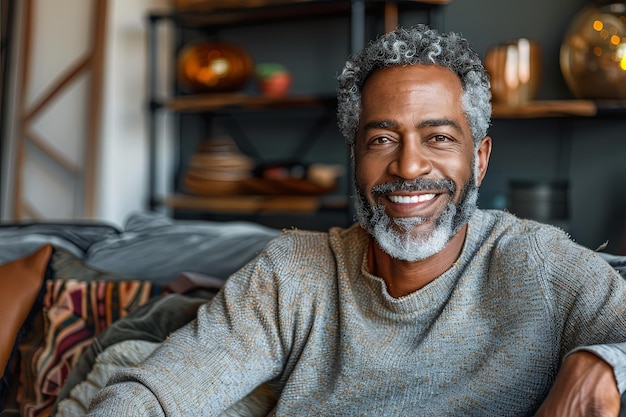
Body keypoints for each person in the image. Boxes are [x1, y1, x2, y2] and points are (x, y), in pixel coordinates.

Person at [87, 25, 626, 416]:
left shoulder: (538, 264)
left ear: (479, 158)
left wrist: (604, 365)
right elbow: (161, 390)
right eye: (382, 139)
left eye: (438, 138)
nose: (409, 166)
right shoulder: (295, 272)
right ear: (355, 160)